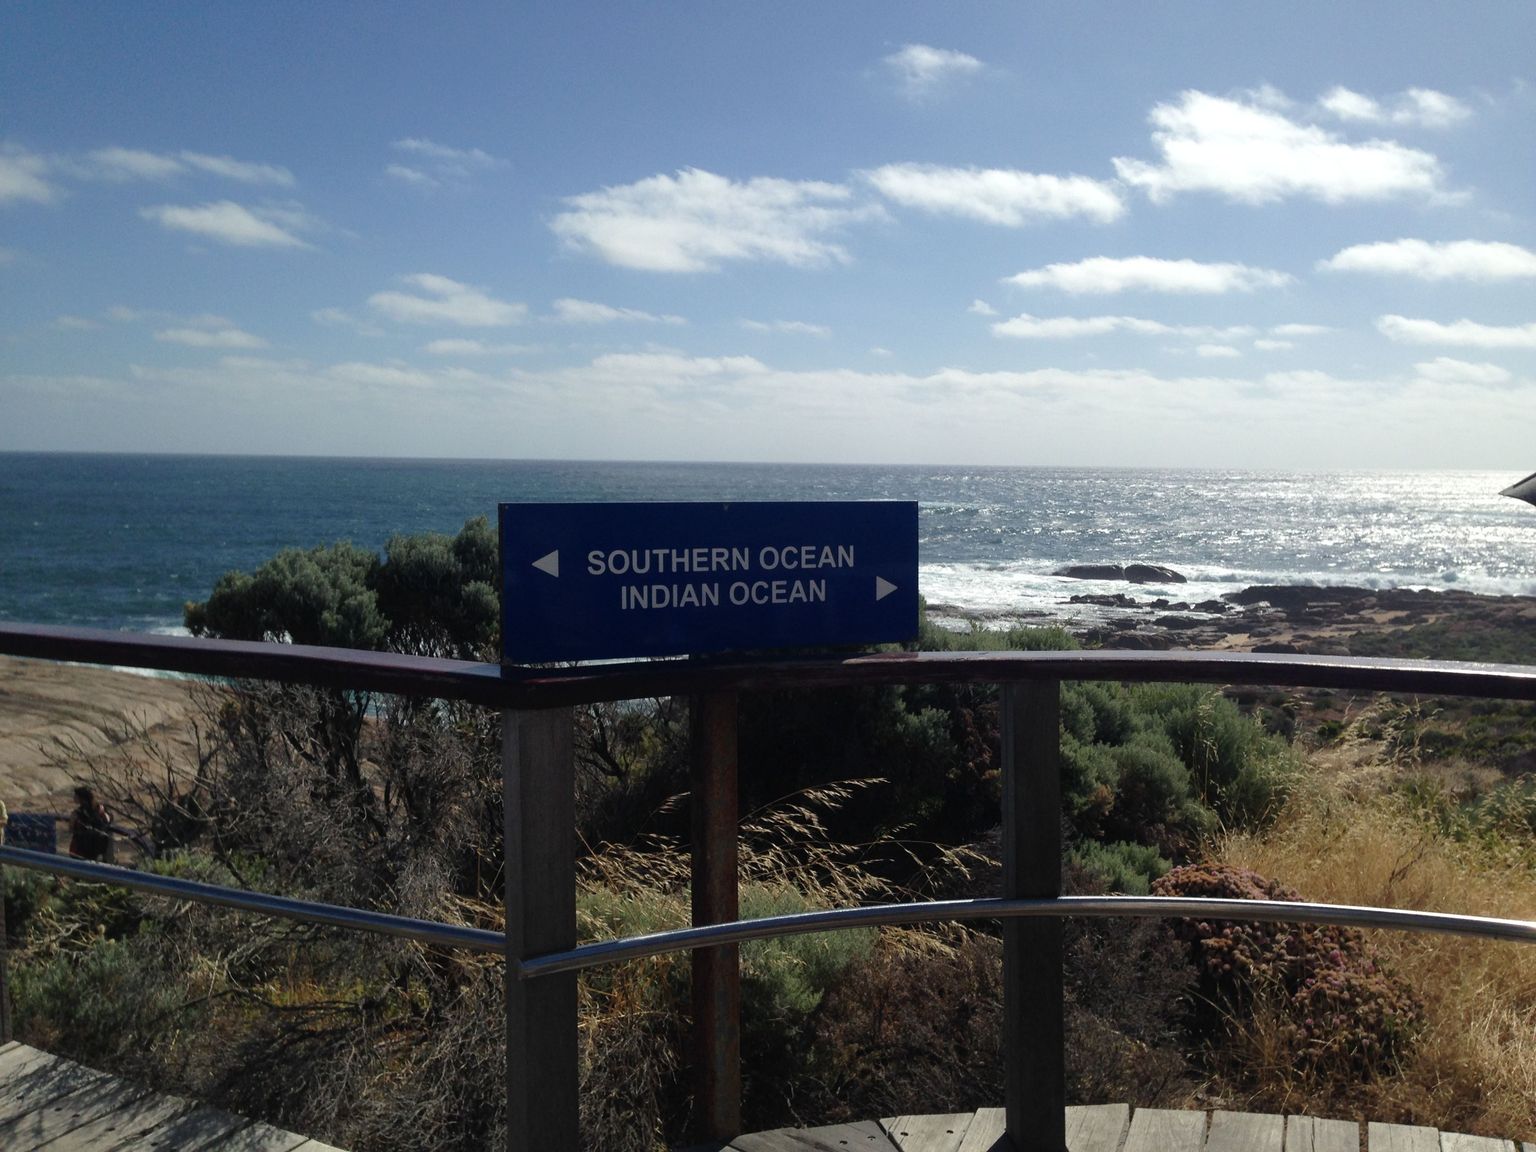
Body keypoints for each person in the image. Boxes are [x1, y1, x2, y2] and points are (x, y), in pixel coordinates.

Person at [68, 786, 113, 863]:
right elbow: (108, 820)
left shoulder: (77, 813)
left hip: (80, 849)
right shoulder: (101, 810)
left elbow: (71, 828)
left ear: (80, 798)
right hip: (97, 849)